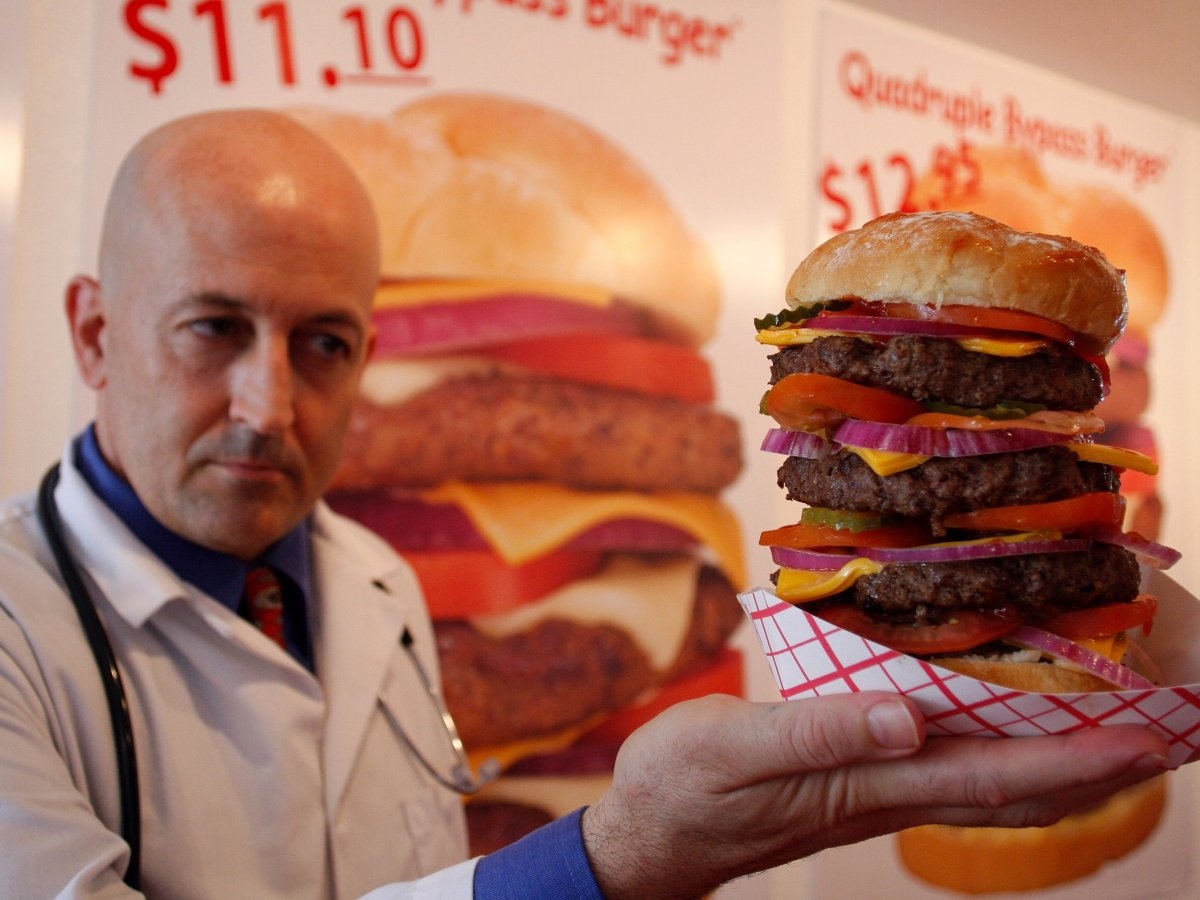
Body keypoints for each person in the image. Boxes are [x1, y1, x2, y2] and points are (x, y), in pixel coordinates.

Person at [0, 109, 1169, 899]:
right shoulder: (18, 628)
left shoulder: (376, 581)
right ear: (95, 334)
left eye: (327, 344)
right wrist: (609, 860)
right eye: (212, 328)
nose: (270, 405)